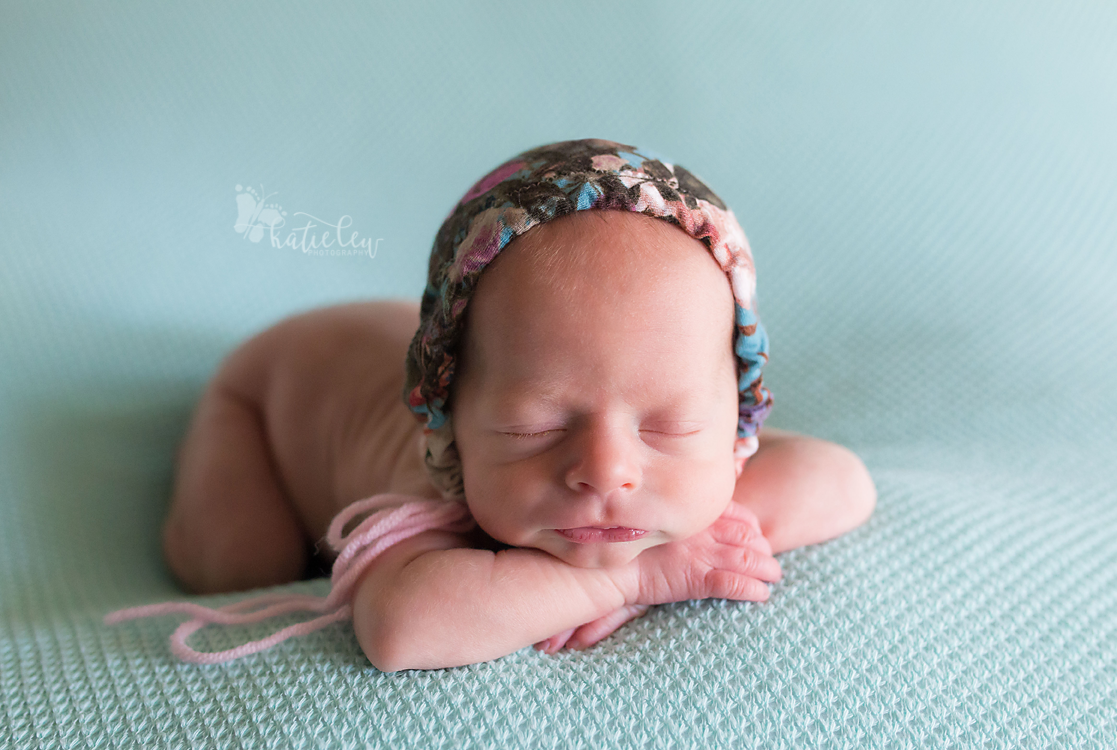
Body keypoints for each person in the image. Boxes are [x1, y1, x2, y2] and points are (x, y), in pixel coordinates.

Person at [152, 139, 877, 671]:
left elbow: (840, 481)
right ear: (451, 429)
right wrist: (641, 576)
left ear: (736, 418)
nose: (606, 471)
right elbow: (402, 626)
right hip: (269, 389)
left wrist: (709, 520)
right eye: (536, 426)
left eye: (669, 424)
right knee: (238, 561)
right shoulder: (442, 490)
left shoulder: (694, 447)